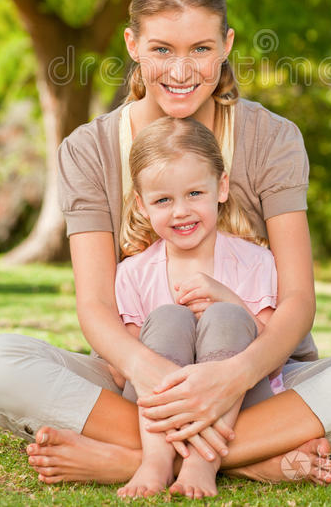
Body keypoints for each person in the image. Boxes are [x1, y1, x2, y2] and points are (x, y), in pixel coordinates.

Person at [0, 0, 331, 489]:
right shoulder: (89, 150)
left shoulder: (273, 140)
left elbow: (299, 300)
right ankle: (247, 457)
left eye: (201, 49)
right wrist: (159, 376)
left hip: (264, 376)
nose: (181, 72)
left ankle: (140, 460)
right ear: (132, 45)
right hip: (139, 381)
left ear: (227, 45)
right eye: (162, 49)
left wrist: (234, 374)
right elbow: (96, 308)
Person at [115, 114, 284, 498]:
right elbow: (121, 368)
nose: (181, 211)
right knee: (169, 317)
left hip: (241, 402)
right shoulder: (132, 274)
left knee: (226, 315)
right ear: (142, 205)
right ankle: (156, 461)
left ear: (220, 187)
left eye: (194, 194)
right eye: (163, 200)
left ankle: (200, 465)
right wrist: (173, 369)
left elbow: (272, 355)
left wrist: (228, 299)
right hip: (155, 410)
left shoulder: (255, 262)